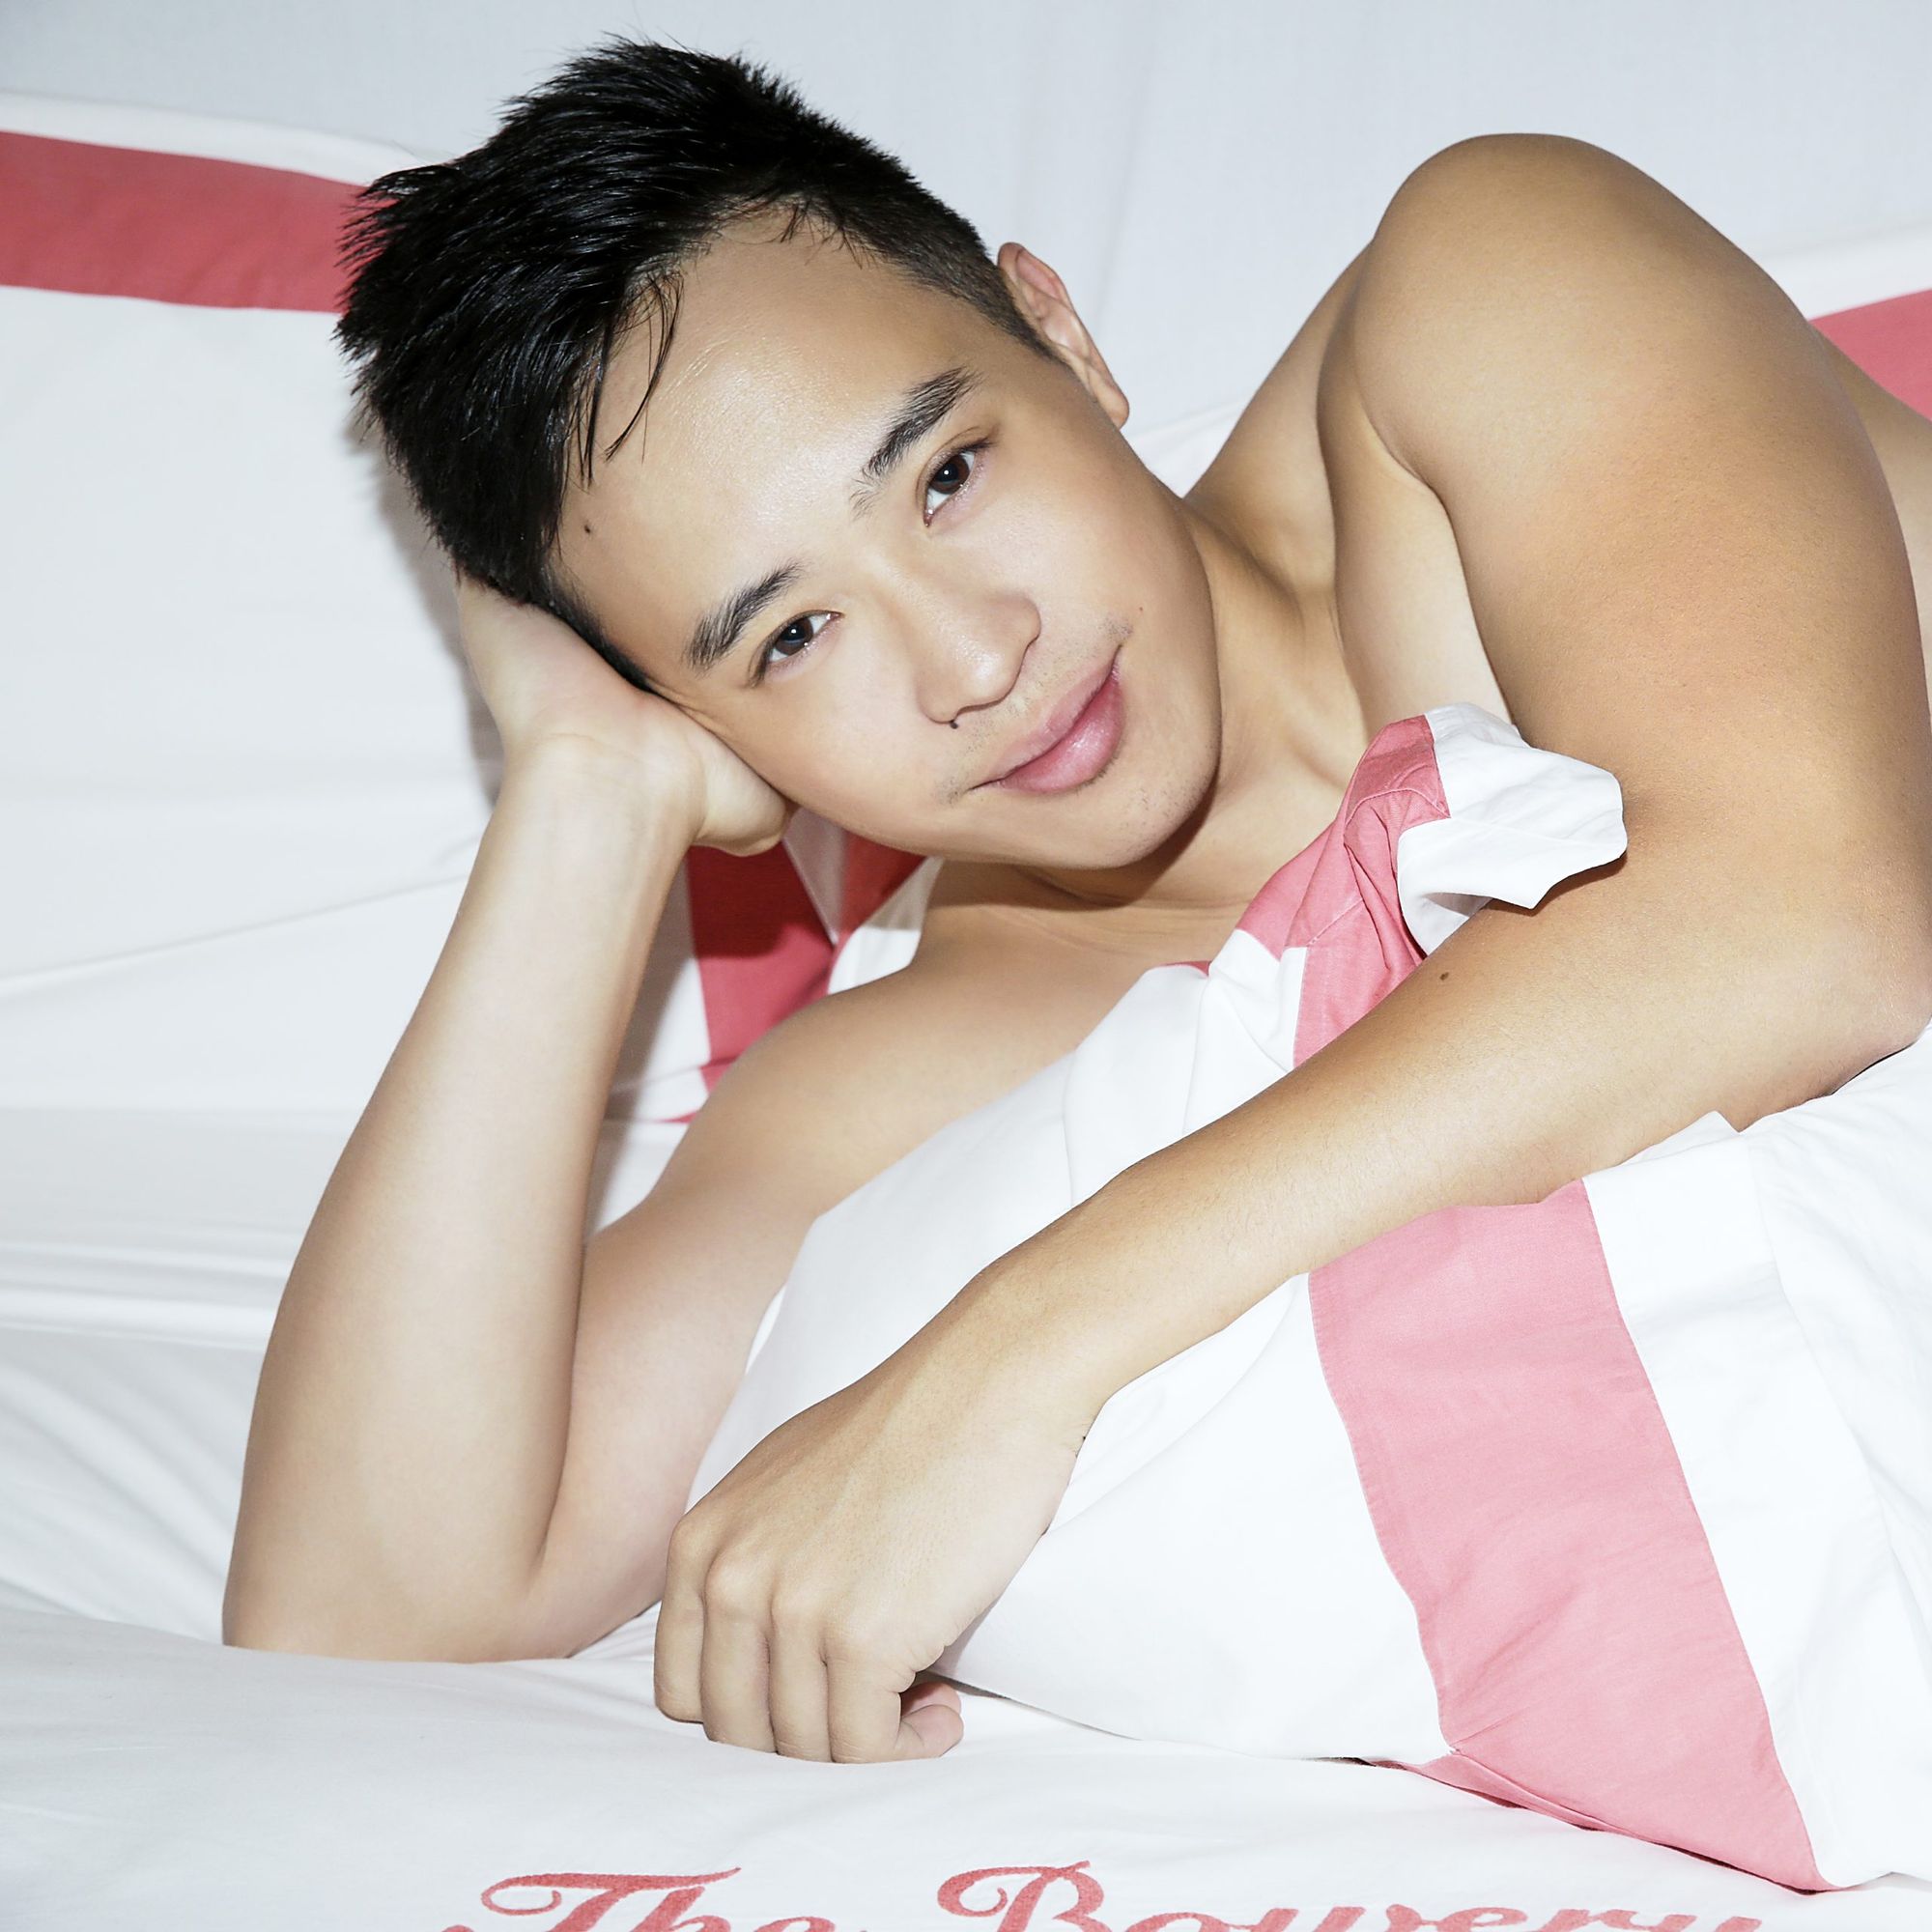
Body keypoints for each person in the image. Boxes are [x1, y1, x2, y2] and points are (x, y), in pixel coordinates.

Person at [222, 35, 1932, 1767]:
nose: (975, 659)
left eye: (947, 475)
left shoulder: (1486, 287)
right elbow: (370, 1606)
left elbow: (1802, 918)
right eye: (792, 638)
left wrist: (1004, 1365)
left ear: (1061, 335)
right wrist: (586, 789)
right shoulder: (923, 1062)